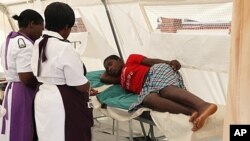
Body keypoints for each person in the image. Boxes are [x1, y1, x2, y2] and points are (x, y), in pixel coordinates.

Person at [101, 54, 218, 131]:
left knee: (165, 91)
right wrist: (108, 70)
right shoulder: (120, 81)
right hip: (148, 87)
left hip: (154, 72)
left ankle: (204, 106)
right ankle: (192, 112)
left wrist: (169, 62)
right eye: (107, 68)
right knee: (148, 100)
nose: (109, 69)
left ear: (119, 59)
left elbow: (151, 61)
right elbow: (103, 78)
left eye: (110, 64)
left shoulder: (131, 60)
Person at [30, 2, 94, 141]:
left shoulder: (38, 43)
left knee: (47, 136)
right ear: (66, 27)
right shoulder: (64, 47)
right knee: (68, 135)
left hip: (42, 96)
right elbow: (78, 84)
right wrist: (88, 86)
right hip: (62, 101)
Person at [0, 9, 44, 141]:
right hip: (22, 91)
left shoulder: (9, 40)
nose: (41, 33)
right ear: (31, 24)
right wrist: (42, 85)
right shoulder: (24, 44)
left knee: (15, 128)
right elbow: (26, 77)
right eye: (41, 28)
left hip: (13, 89)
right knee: (24, 131)